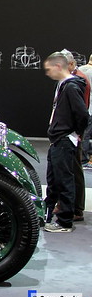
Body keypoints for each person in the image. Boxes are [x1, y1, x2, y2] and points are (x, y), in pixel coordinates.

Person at [43, 52, 89, 232]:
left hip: (64, 139)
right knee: (54, 180)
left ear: (58, 66)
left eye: (49, 69)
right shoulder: (62, 85)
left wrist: (74, 133)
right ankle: (47, 215)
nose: (48, 73)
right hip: (57, 139)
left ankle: (64, 222)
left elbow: (83, 115)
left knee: (64, 180)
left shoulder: (71, 87)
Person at [62, 49, 90, 221]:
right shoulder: (71, 79)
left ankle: (76, 209)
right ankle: (69, 205)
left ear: (71, 64)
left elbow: (81, 112)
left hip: (73, 133)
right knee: (69, 169)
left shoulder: (78, 80)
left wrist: (77, 132)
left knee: (74, 170)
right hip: (70, 132)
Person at [79, 53, 92, 168]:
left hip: (82, 106)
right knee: (87, 134)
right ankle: (83, 160)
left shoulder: (80, 70)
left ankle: (81, 158)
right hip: (90, 107)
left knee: (84, 134)